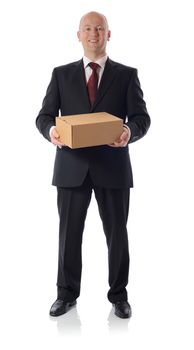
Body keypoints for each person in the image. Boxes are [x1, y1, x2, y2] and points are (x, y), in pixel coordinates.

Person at [36, 11, 151, 319]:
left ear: (108, 34)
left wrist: (129, 132)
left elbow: (141, 118)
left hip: (113, 168)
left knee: (117, 234)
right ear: (78, 35)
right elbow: (44, 116)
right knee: (68, 234)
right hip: (71, 168)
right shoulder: (61, 74)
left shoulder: (127, 74)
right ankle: (66, 295)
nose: (93, 33)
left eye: (99, 28)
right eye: (87, 28)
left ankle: (119, 296)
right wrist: (52, 132)